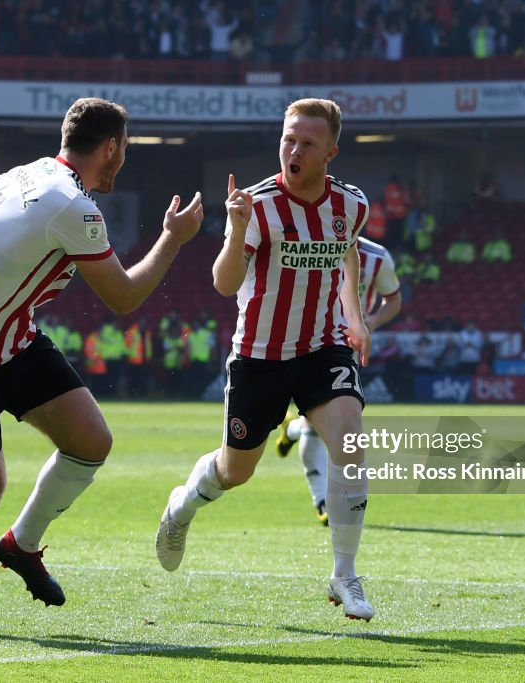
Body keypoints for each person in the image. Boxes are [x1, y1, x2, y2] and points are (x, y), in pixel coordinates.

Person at [0, 98, 203, 632]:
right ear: (112, 148)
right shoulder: (72, 207)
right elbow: (123, 298)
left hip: (13, 341)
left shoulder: (31, 173)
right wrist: (172, 239)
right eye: (125, 150)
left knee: (91, 442)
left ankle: (21, 545)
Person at [154, 98, 376, 621]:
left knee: (351, 443)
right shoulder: (257, 206)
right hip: (259, 357)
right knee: (235, 472)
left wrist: (356, 316)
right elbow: (224, 283)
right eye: (288, 139)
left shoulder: (353, 205)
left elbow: (346, 251)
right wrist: (234, 229)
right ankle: (181, 505)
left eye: (307, 144)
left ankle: (345, 576)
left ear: (331, 154)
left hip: (323, 347)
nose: (293, 150)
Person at [275, 236, 401, 525]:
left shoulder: (378, 257)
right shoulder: (308, 242)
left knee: (316, 422)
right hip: (305, 342)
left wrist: (370, 322)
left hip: (346, 349)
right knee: (315, 421)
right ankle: (322, 501)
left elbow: (393, 299)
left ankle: (292, 432)